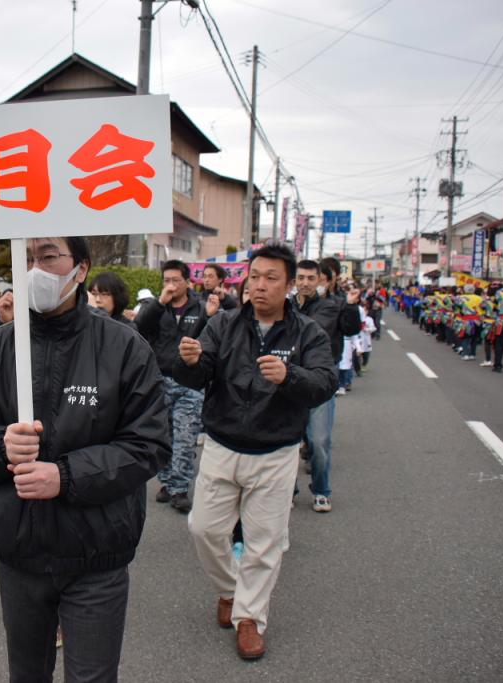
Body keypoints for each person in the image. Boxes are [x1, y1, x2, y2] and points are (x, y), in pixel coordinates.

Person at [0, 236, 170, 682]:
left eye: (48, 256)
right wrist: (0, 447)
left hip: (97, 552)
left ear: (81, 268)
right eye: (26, 259)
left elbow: (148, 445)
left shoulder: (124, 347)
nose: (36, 269)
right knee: (27, 674)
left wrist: (65, 476)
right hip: (19, 550)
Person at [174, 243, 337, 660]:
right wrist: (191, 361)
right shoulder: (224, 324)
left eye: (272, 278)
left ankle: (250, 618)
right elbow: (198, 376)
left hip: (276, 451)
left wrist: (290, 376)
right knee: (204, 529)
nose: (260, 286)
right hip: (221, 445)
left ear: (288, 285)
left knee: (264, 542)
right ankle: (230, 589)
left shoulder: (307, 333)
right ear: (245, 279)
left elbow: (324, 383)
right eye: (255, 276)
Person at [135, 260, 211, 513]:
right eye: (166, 280)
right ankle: (166, 481)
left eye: (175, 280)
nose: (170, 285)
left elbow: (211, 334)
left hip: (189, 381)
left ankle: (180, 488)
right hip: (160, 380)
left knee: (186, 436)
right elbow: (140, 326)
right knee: (163, 435)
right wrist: (160, 302)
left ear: (187, 281)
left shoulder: (200, 308)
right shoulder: (156, 307)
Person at [290, 260, 360, 513]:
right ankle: (289, 490)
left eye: (311, 278)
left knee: (319, 442)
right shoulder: (285, 306)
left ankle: (321, 490)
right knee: (287, 443)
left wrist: (351, 307)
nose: (306, 283)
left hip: (320, 382)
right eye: (301, 278)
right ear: (294, 280)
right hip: (289, 381)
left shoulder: (334, 305)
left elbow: (351, 329)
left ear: (321, 279)